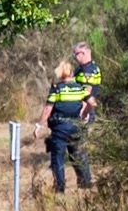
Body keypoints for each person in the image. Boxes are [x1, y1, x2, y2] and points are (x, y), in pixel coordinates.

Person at [34, 61, 92, 193]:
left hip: (60, 128)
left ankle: (60, 189)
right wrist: (86, 114)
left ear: (59, 75)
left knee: (58, 158)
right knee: (78, 156)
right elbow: (89, 103)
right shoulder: (80, 88)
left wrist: (38, 125)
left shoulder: (57, 88)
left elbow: (48, 109)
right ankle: (86, 186)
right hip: (76, 127)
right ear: (72, 73)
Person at [72, 41, 102, 122]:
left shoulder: (88, 71)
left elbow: (86, 93)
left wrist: (83, 113)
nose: (74, 58)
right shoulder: (81, 68)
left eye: (75, 55)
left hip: (83, 111)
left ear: (82, 53)